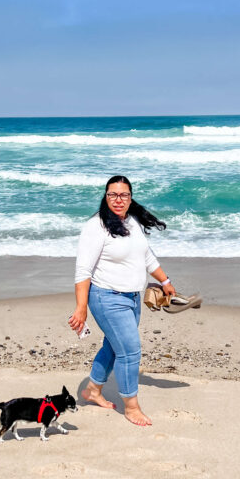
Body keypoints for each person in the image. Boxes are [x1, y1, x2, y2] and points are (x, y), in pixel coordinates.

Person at [68, 175, 175, 427]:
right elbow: (83, 271)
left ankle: (92, 390)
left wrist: (165, 281)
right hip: (106, 298)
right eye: (112, 195)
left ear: (130, 197)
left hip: (132, 299)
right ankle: (131, 407)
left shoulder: (131, 222)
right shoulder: (96, 227)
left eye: (124, 195)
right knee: (130, 351)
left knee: (115, 347)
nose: (118, 200)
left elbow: (146, 256)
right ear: (105, 196)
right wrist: (81, 308)